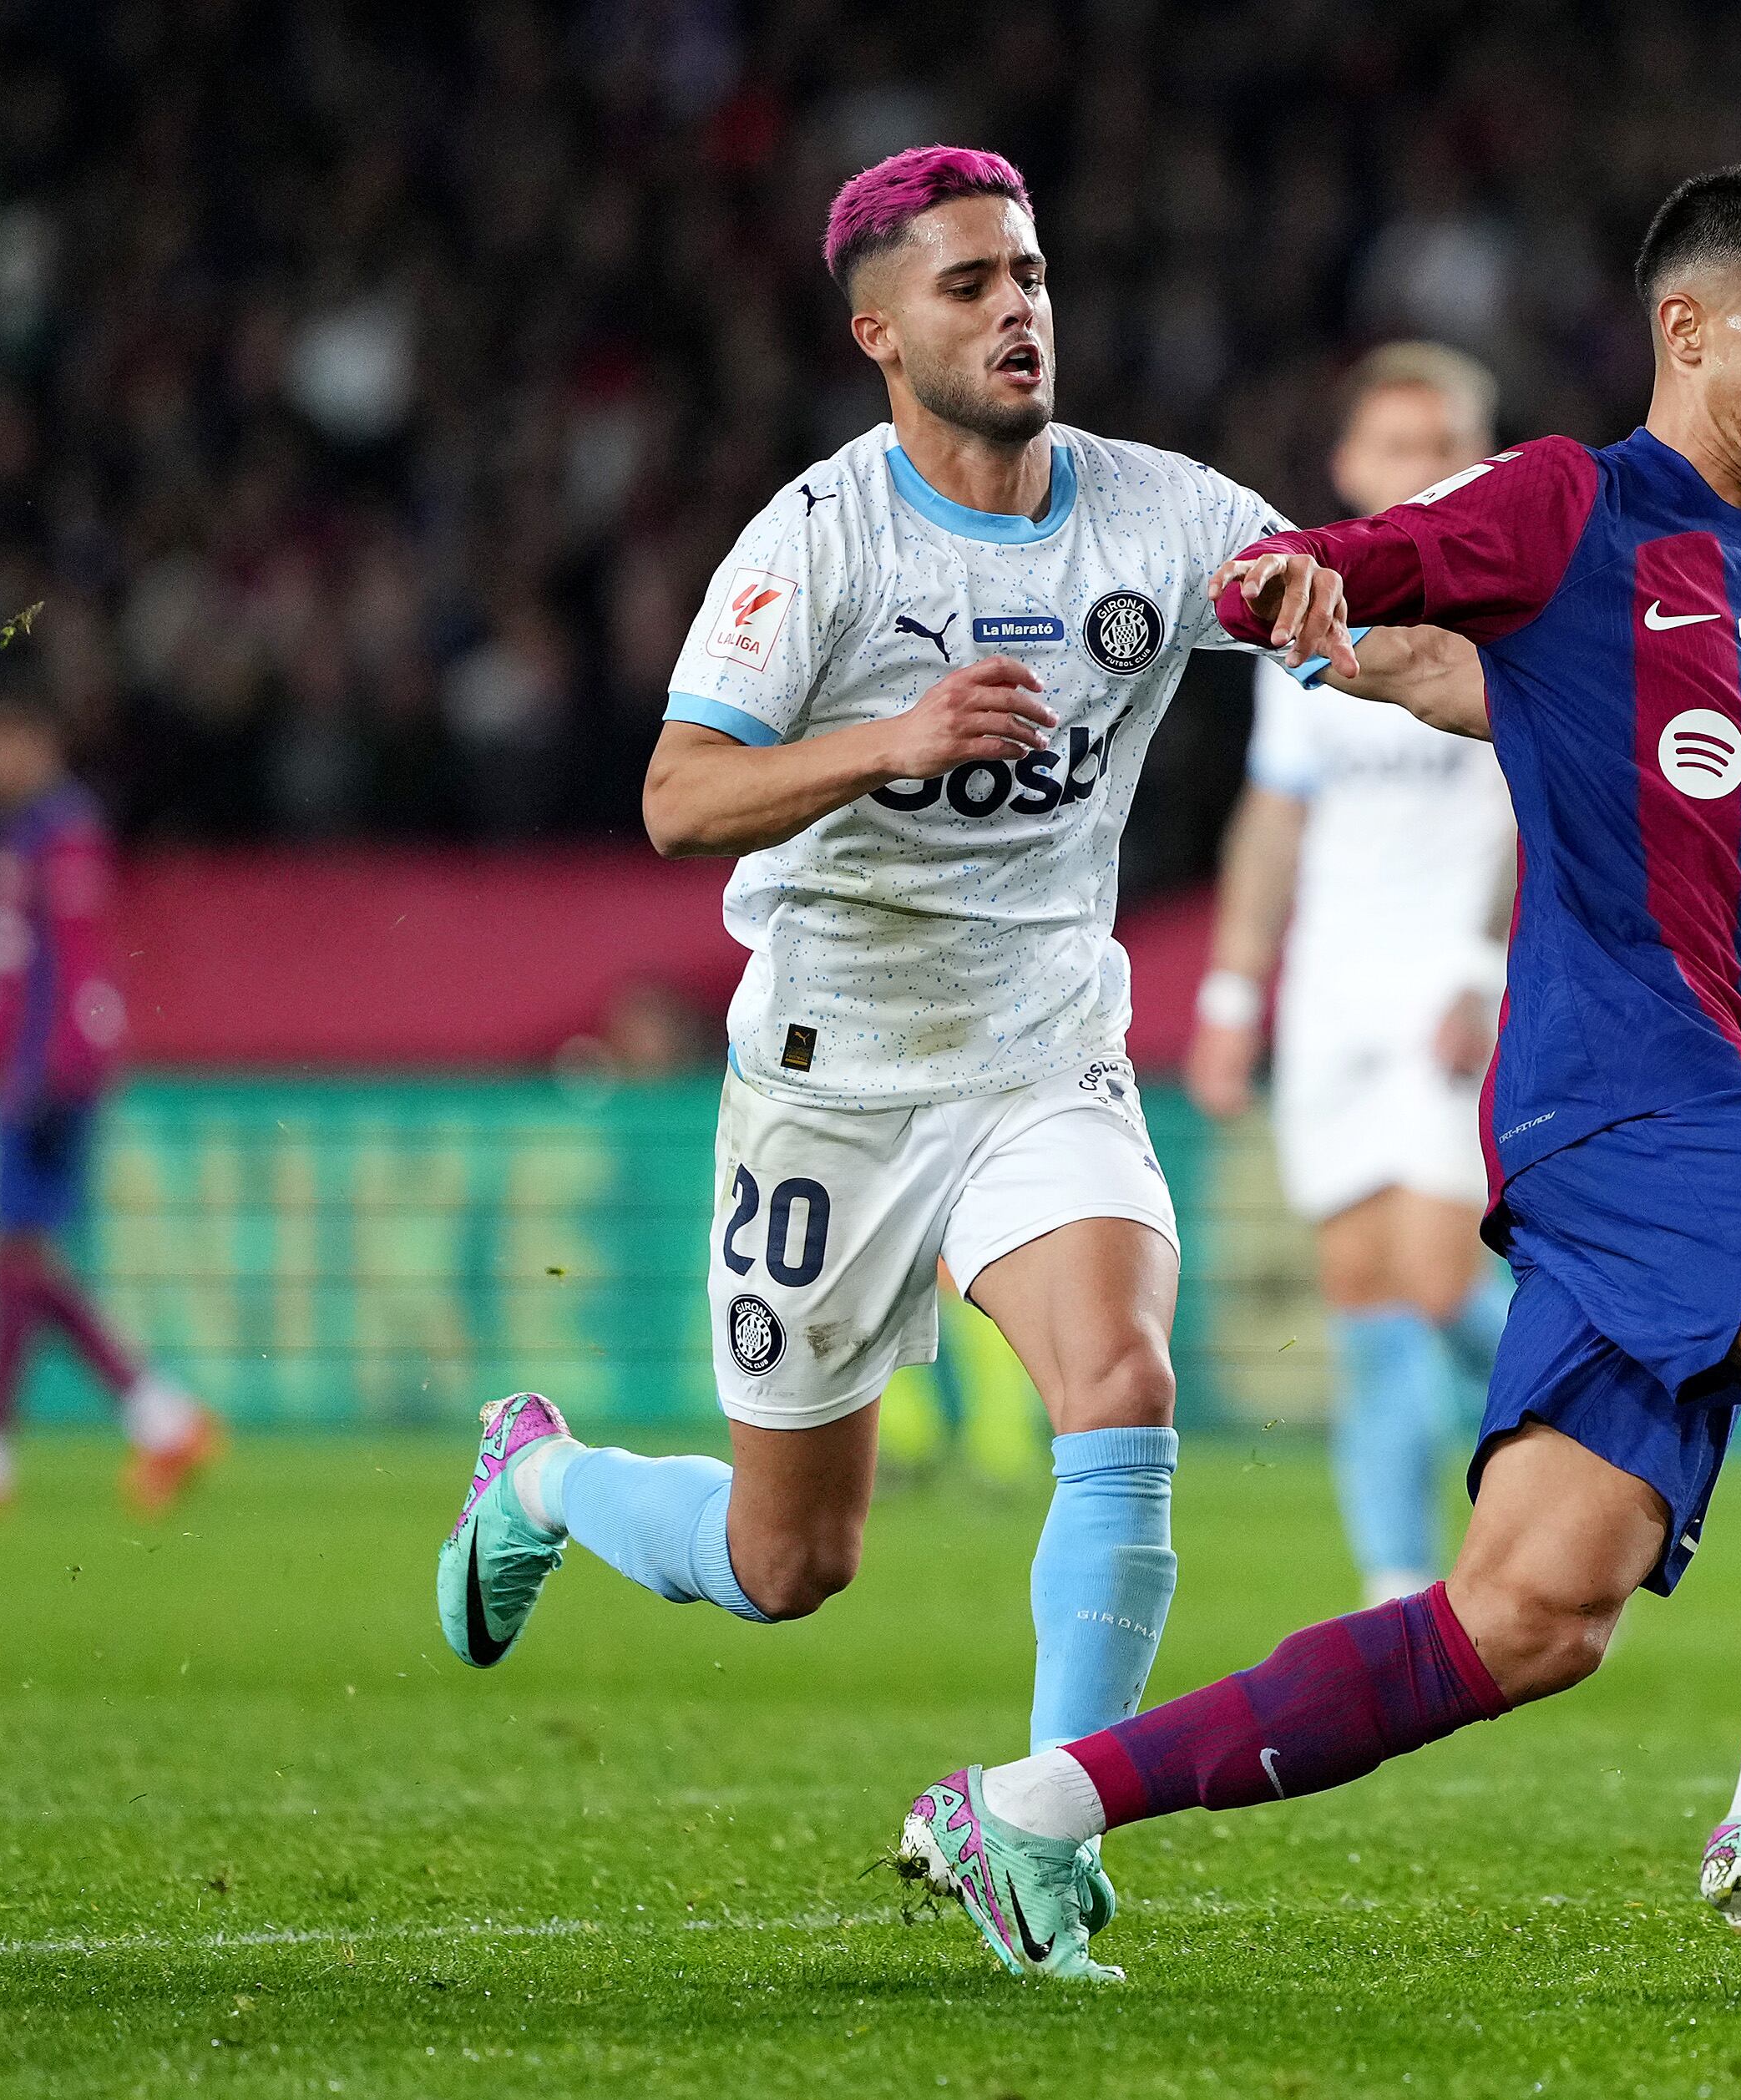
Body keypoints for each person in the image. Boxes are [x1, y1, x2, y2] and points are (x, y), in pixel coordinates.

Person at [897, 164, 1741, 1981]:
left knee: (1528, 1613)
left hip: (1669, 1109)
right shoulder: (1574, 508)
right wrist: (1297, 575)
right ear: (1688, 326)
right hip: (1625, 1088)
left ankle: (1028, 1806)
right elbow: (1381, 563)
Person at [432, 144, 1313, 1919]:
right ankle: (544, 1476)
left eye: (1031, 277)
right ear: (878, 333)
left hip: (1043, 1051)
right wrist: (887, 746)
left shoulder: (1161, 516)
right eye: (972, 286)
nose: (1016, 312)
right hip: (830, 1085)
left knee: (1121, 1381)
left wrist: (1460, 644)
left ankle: (1044, 1828)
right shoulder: (820, 541)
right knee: (788, 1561)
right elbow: (679, 799)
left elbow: (1355, 628)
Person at [1185, 342, 1518, 1607]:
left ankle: (1657, 1414)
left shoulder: (1510, 608)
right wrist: (1231, 993)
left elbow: (1531, 813)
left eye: (1440, 446)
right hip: (1333, 993)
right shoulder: (1310, 620)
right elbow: (1276, 821)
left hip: (1450, 985)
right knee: (1366, 1296)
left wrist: (1486, 967)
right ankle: (1395, 1582)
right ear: (1348, 462)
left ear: (1477, 463)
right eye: (1394, 445)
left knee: (1437, 1279)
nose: (1415, 469)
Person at [0, 686, 219, 1518]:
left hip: (50, 1077)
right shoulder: (19, 836)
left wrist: (39, 1078)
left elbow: (64, 975)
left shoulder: (64, 832)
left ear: (37, 741)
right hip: (26, 1073)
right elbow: (7, 976)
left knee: (13, 1258)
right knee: (19, 1264)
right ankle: (157, 1420)